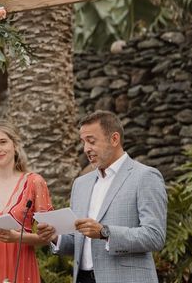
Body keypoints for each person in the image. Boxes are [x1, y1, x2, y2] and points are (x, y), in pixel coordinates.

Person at [38, 110, 167, 283]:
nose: (86, 149)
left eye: (91, 141)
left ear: (114, 139)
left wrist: (105, 232)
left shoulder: (145, 176)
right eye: (83, 142)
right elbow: (80, 241)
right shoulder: (80, 184)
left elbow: (155, 236)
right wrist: (55, 237)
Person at [0, 120, 53, 283]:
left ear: (15, 145)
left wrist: (18, 238)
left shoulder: (34, 182)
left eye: (3, 142)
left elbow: (49, 236)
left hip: (21, 266)